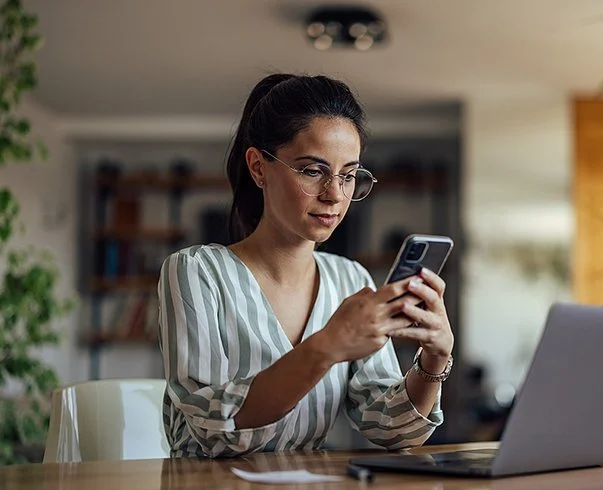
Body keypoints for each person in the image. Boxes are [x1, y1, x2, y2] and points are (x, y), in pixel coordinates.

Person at [157, 73, 455, 458]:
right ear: (259, 167)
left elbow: (390, 429)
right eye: (312, 171)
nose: (334, 194)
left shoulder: (351, 280)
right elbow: (214, 431)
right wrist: (326, 347)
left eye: (348, 175)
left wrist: (435, 359)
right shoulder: (196, 271)